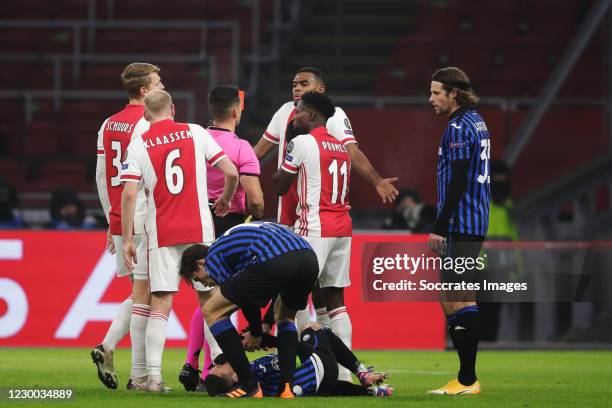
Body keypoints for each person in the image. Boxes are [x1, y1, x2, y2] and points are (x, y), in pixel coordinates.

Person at [253, 67, 399, 336]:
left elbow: (352, 152)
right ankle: (329, 362)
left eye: (303, 83)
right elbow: (258, 152)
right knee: (325, 296)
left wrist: (377, 181)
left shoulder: (333, 115)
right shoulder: (284, 111)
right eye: (294, 83)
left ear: (319, 90)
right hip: (293, 215)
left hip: (312, 217)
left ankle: (309, 355)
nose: (296, 88)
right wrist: (236, 168)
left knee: (298, 290)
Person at [120, 89, 238, 392]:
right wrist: (224, 199)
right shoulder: (195, 132)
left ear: (146, 115)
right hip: (200, 231)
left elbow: (130, 193)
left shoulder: (139, 143)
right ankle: (224, 367)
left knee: (161, 303)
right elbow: (231, 171)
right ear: (172, 109)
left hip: (162, 233)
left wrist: (127, 238)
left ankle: (154, 379)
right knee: (214, 300)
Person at [179, 85, 264, 392]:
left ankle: (193, 362)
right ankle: (210, 369)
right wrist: (255, 221)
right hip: (232, 227)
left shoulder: (192, 141)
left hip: (197, 225)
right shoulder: (241, 148)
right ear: (235, 112)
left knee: (206, 300)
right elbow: (255, 199)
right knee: (225, 302)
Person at [179, 222, 319, 398]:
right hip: (308, 258)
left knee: (212, 310)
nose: (206, 284)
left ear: (200, 263)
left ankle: (249, 386)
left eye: (197, 278)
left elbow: (245, 299)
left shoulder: (212, 256)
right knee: (285, 317)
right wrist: (260, 327)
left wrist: (256, 332)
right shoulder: (234, 246)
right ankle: (286, 388)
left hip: (275, 259)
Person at [273, 91, 354, 383]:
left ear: (311, 115)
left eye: (298, 112)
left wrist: (287, 156)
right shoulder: (341, 147)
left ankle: (297, 369)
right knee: (335, 301)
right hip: (343, 227)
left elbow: (280, 186)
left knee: (291, 300)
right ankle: (342, 374)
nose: (294, 117)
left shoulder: (302, 142)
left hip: (315, 226)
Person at [92, 62, 163, 390]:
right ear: (145, 91)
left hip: (121, 219)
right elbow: (146, 178)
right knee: (148, 296)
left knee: (140, 294)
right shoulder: (147, 123)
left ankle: (109, 348)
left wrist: (112, 221)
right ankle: (140, 377)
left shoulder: (107, 124)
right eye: (158, 82)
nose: (162, 86)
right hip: (145, 217)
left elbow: (102, 178)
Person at [427, 67, 491, 395]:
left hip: (460, 224)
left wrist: (439, 226)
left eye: (437, 92)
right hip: (474, 221)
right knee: (456, 296)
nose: (431, 99)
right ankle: (466, 378)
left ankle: (467, 379)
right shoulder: (477, 121)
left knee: (455, 298)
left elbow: (458, 179)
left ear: (454, 93)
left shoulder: (456, 127)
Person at [203, 322, 393, 397]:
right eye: (220, 367)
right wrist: (271, 339)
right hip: (321, 366)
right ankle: (362, 372)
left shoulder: (249, 385)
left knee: (326, 387)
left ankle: (369, 391)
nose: (219, 363)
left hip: (317, 384)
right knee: (313, 329)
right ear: (235, 377)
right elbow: (296, 349)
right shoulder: (257, 369)